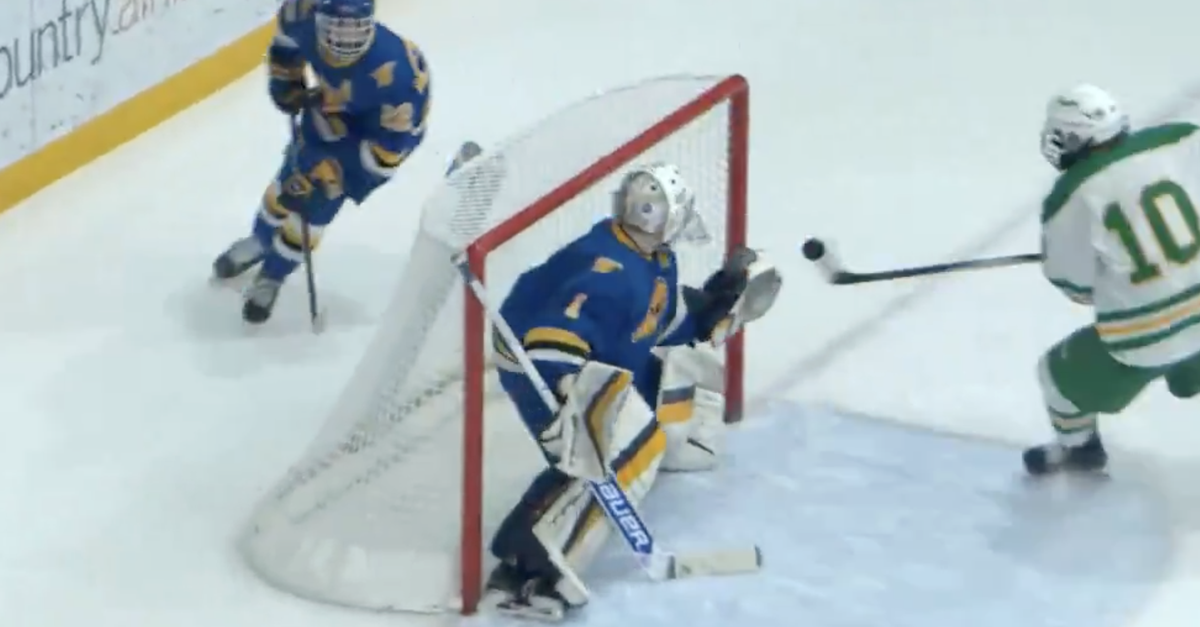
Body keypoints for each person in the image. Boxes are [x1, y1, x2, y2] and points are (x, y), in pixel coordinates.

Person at [482, 162, 780, 620]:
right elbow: (550, 341)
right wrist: (577, 403)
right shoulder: (606, 271)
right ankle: (535, 566)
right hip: (543, 369)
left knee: (675, 393)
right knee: (615, 450)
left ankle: (637, 451)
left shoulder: (654, 257)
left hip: (600, 359)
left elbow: (656, 317)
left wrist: (714, 304)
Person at [211, 0, 431, 323]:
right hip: (330, 110)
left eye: (355, 29)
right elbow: (285, 44)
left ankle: (273, 274)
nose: (345, 41)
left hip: (373, 141)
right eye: (337, 28)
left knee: (314, 208)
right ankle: (260, 239)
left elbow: (390, 151)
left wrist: (335, 176)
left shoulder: (401, 78)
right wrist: (286, 81)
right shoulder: (300, 12)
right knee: (288, 182)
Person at [1025, 83, 1200, 475]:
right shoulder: (1181, 140)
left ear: (1075, 138)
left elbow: (1074, 284)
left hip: (1144, 339)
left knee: (1054, 377)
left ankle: (1078, 449)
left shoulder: (1069, 195)